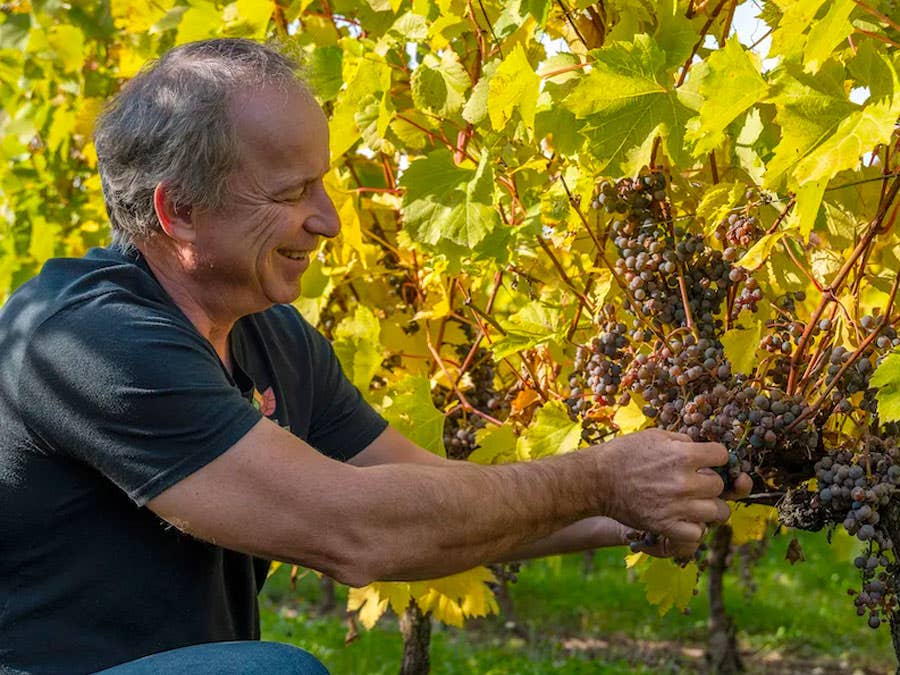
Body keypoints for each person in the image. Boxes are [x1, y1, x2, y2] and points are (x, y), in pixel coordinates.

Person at [0, 39, 750, 675]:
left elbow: (429, 493)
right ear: (178, 210)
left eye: (322, 183)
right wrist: (600, 476)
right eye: (292, 192)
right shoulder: (93, 340)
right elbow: (356, 529)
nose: (327, 220)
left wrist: (635, 509)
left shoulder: (272, 335)